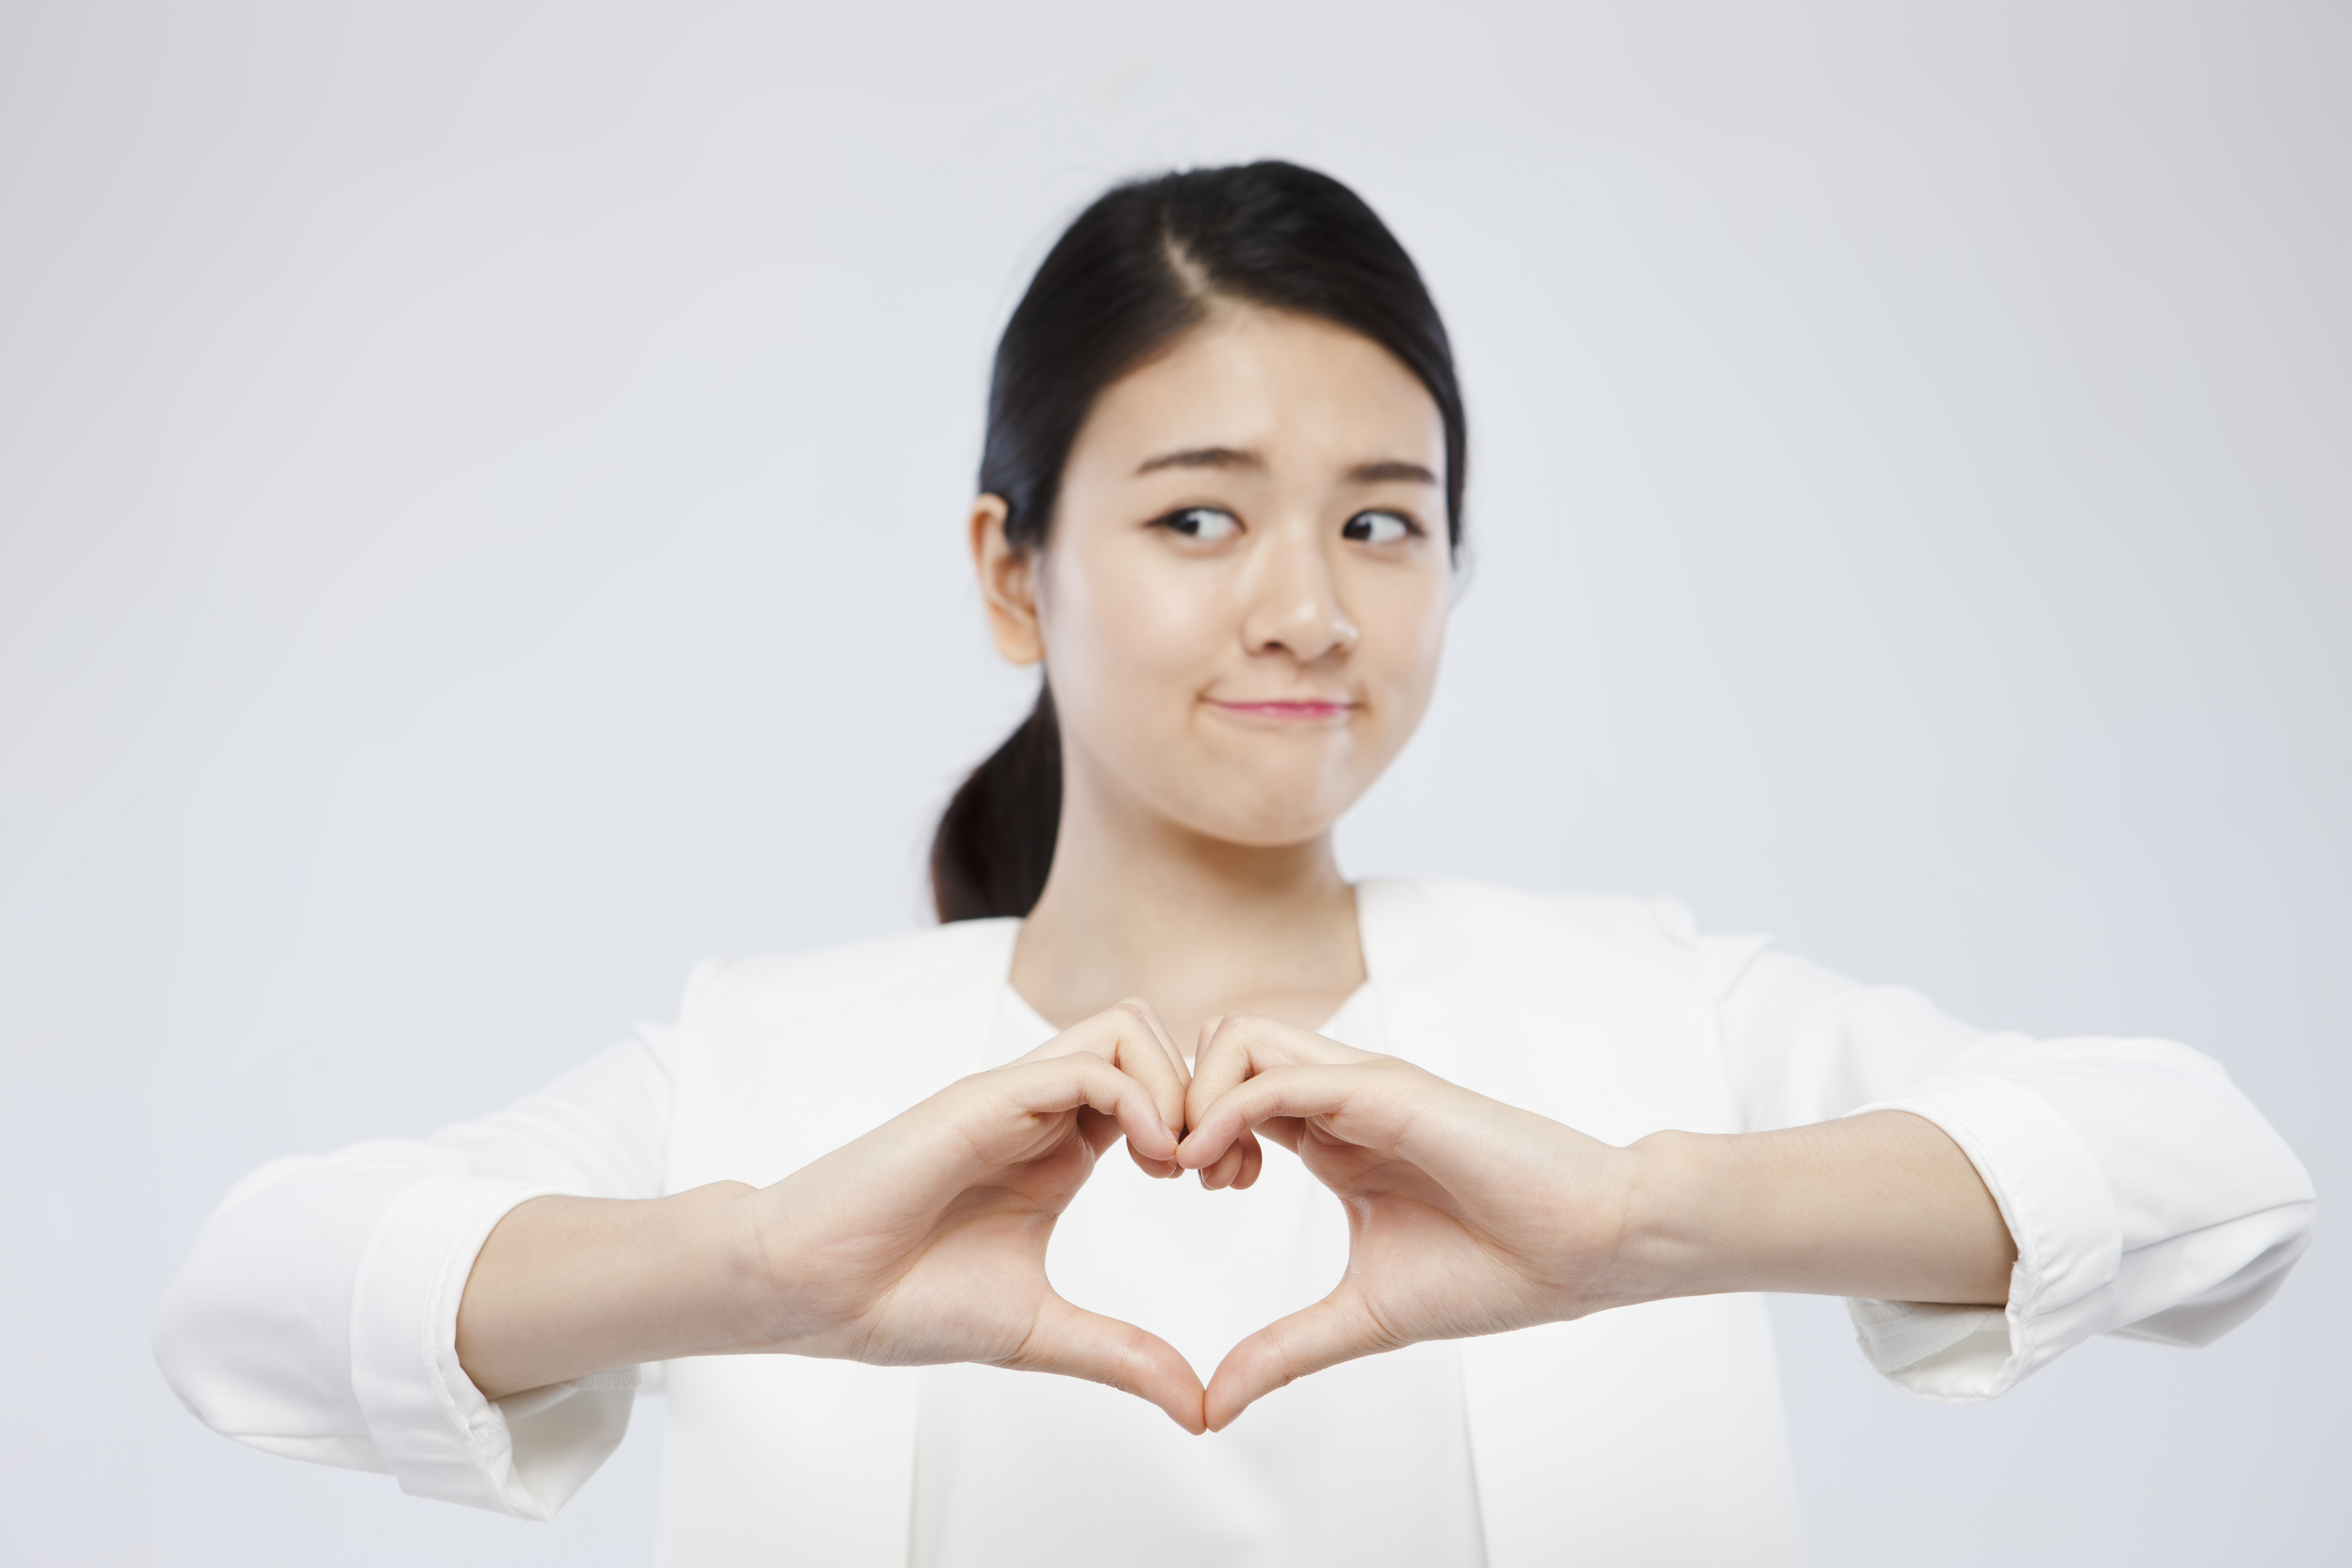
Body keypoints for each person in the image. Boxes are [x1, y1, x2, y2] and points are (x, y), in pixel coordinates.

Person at [154, 162, 2314, 1568]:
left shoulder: (1648, 1010)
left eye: (1381, 521)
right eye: (1199, 513)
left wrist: (1643, 1220)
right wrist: (753, 1270)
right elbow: (249, 1300)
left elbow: (2216, 1179)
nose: (1306, 606)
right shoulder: (769, 1063)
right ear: (1012, 569)